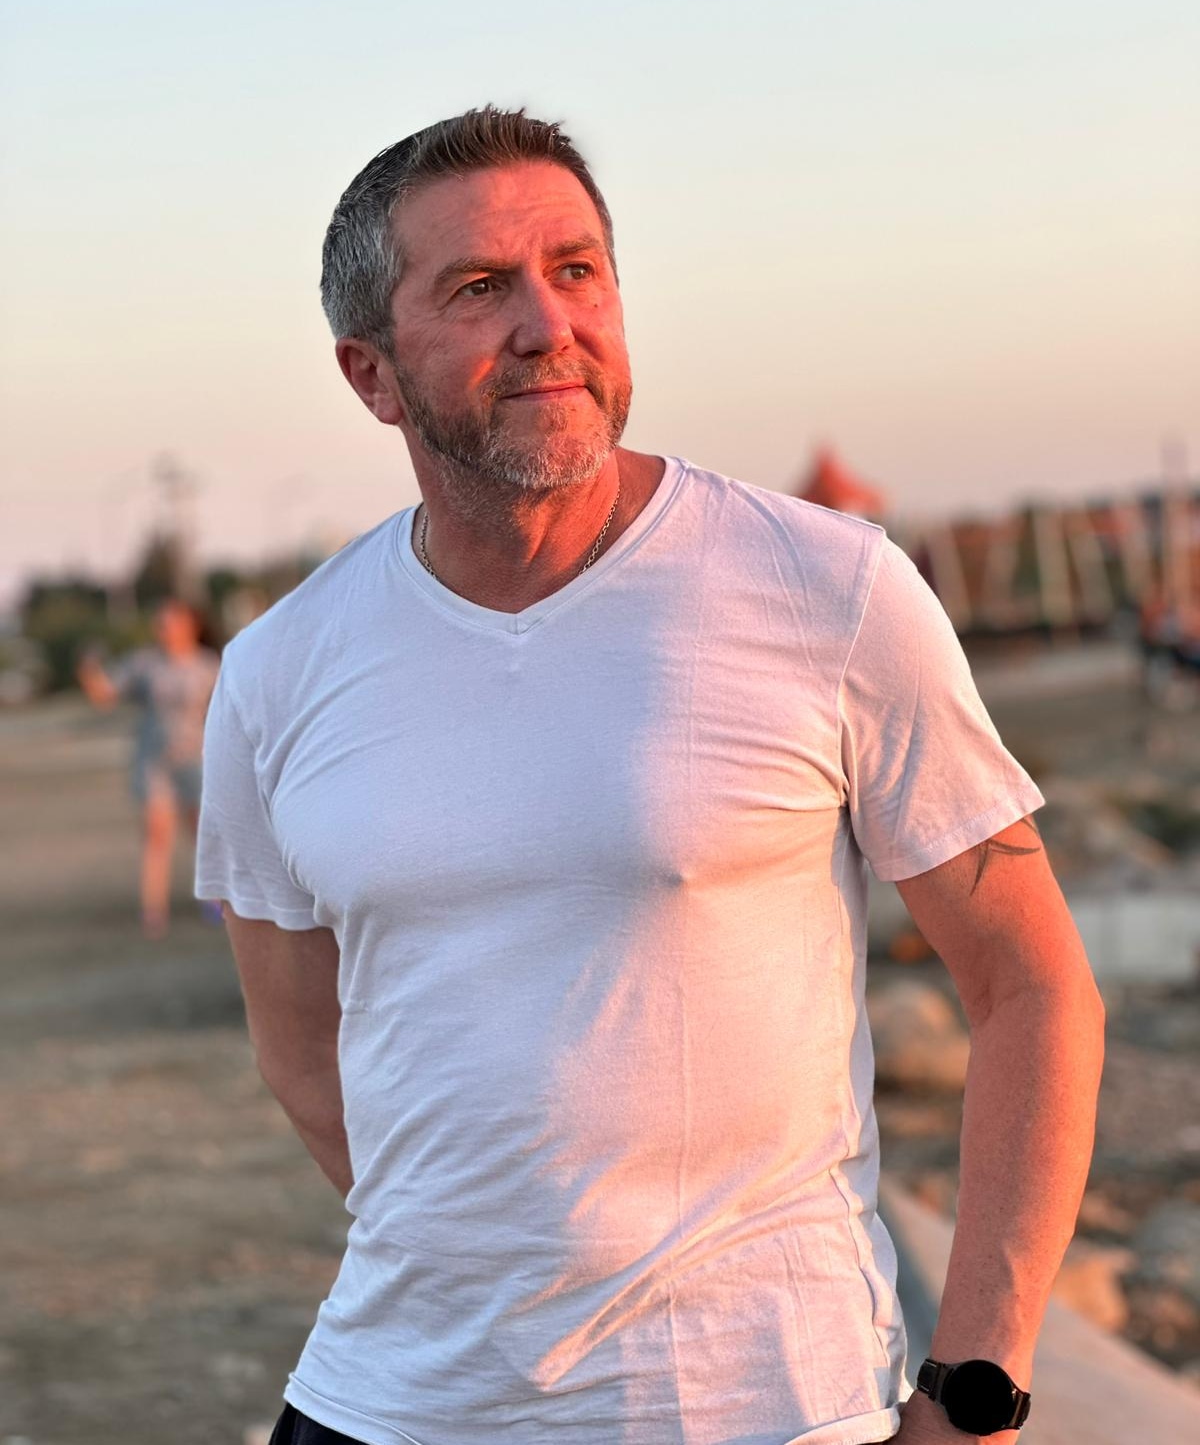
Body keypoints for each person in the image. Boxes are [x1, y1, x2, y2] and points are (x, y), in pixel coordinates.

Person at [196, 109, 1104, 1445]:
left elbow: (1032, 986)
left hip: (756, 1407)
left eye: (576, 271)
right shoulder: (277, 673)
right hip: (384, 1406)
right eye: (478, 288)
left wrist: (976, 1389)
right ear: (371, 374)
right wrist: (495, 1267)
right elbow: (300, 1047)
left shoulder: (828, 589)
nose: (547, 325)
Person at [79, 598, 220, 938]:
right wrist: (88, 669)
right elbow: (105, 696)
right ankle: (154, 909)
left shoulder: (208, 665)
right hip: (154, 759)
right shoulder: (143, 663)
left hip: (196, 758)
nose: (164, 629)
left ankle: (214, 899)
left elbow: (225, 712)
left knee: (201, 832)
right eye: (160, 623)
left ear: (191, 625)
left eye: (171, 622)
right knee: (156, 834)